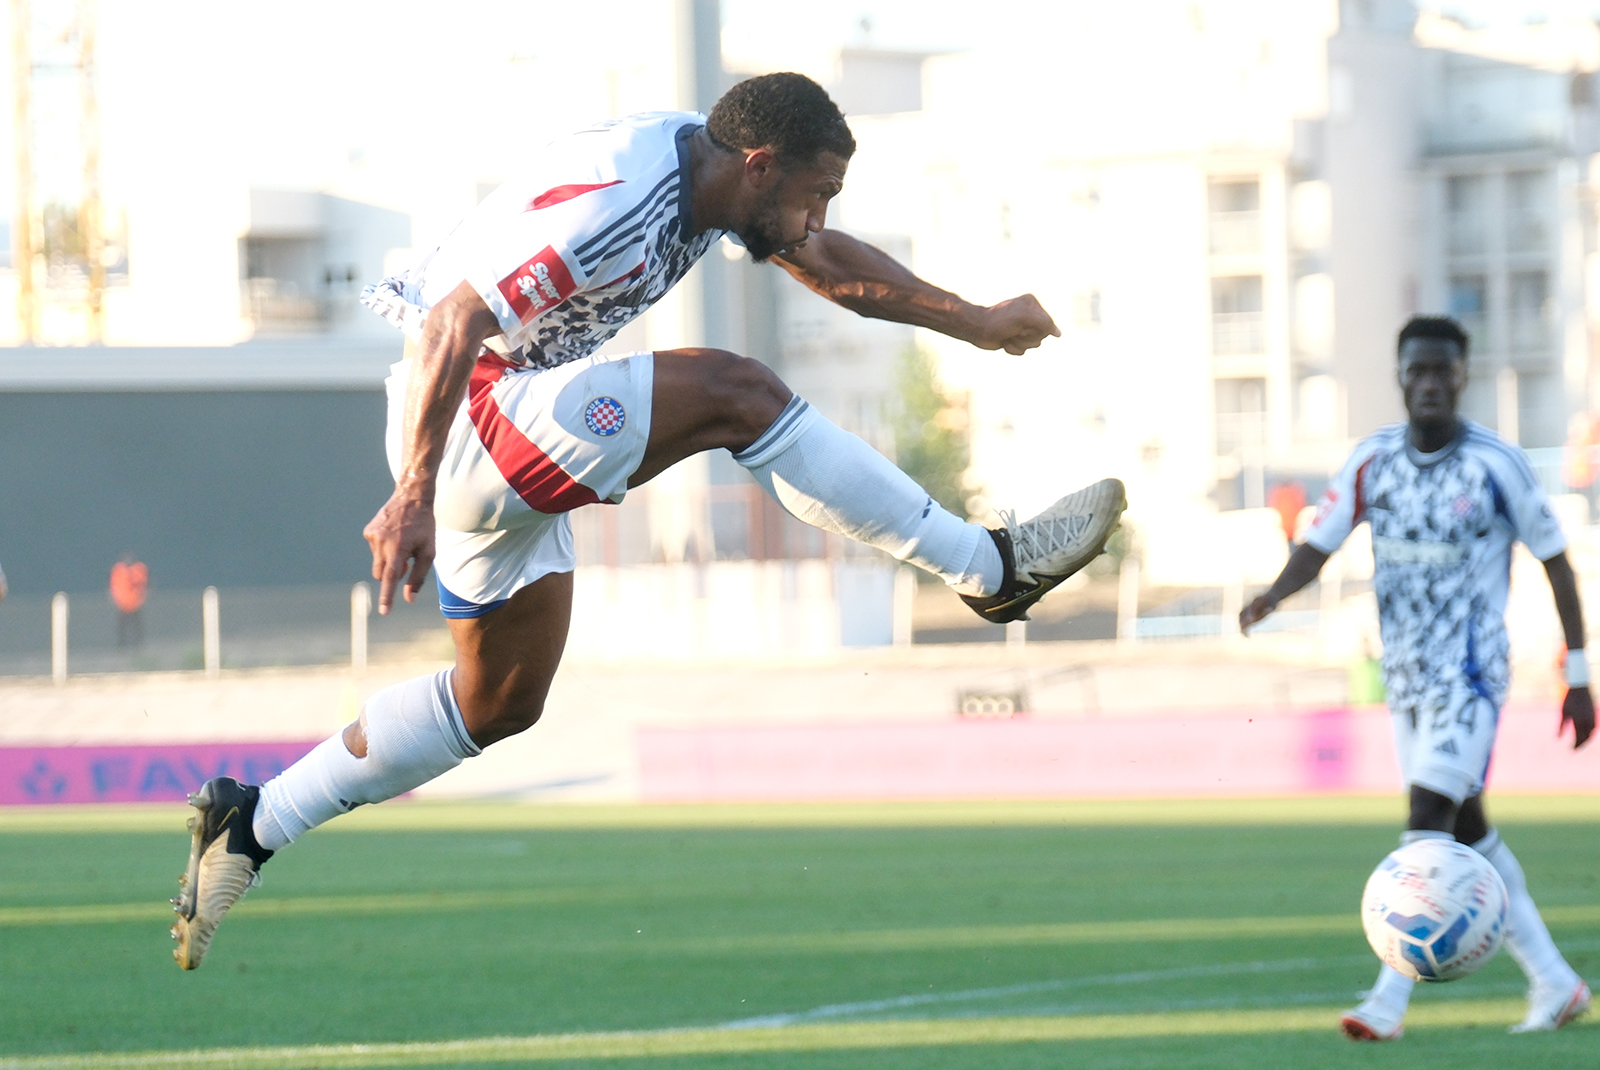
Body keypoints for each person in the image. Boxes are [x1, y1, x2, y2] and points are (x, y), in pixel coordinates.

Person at [169, 73, 1127, 969]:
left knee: (499, 700)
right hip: (473, 411)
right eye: (814, 192)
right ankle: (985, 569)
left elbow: (826, 260)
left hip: (506, 416)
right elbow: (450, 324)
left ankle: (252, 823)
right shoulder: (621, 203)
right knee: (737, 391)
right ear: (759, 167)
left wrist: (975, 320)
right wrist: (414, 491)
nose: (818, 217)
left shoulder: (711, 181)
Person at [1240, 315, 1594, 1039]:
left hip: (1470, 679)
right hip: (1403, 680)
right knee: (1469, 830)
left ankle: (1386, 1003)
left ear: (1462, 377)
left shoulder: (1497, 463)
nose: (1430, 383)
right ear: (1401, 377)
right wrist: (1275, 593)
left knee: (1426, 823)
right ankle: (1556, 983)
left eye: (1443, 371)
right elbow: (1319, 543)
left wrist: (1581, 674)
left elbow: (1556, 559)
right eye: (1417, 371)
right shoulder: (1372, 462)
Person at [110, 553, 149, 649]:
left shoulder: (139, 569)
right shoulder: (118, 570)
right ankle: (122, 646)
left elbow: (143, 584)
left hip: (135, 603)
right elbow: (114, 586)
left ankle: (139, 646)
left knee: (137, 627)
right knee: (122, 628)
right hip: (123, 604)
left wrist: (142, 598)